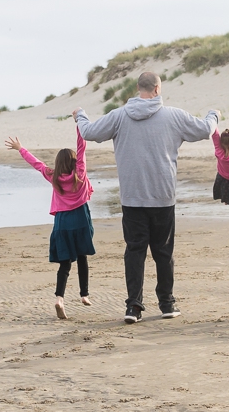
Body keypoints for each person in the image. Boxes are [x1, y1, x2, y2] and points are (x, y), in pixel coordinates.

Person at [76, 71, 218, 324]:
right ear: (157, 89)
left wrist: (80, 115)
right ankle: (166, 302)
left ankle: (134, 307)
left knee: (135, 251)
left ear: (138, 88)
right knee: (163, 252)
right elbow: (205, 129)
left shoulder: (119, 115)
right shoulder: (173, 115)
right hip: (162, 195)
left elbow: (88, 132)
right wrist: (214, 114)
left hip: (133, 197)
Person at [6, 118, 95, 320]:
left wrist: (21, 148)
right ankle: (84, 295)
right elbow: (81, 150)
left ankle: (59, 299)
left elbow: (36, 164)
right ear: (74, 163)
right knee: (82, 257)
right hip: (80, 219)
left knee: (65, 264)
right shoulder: (79, 174)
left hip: (62, 223)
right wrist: (79, 126)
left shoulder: (52, 175)